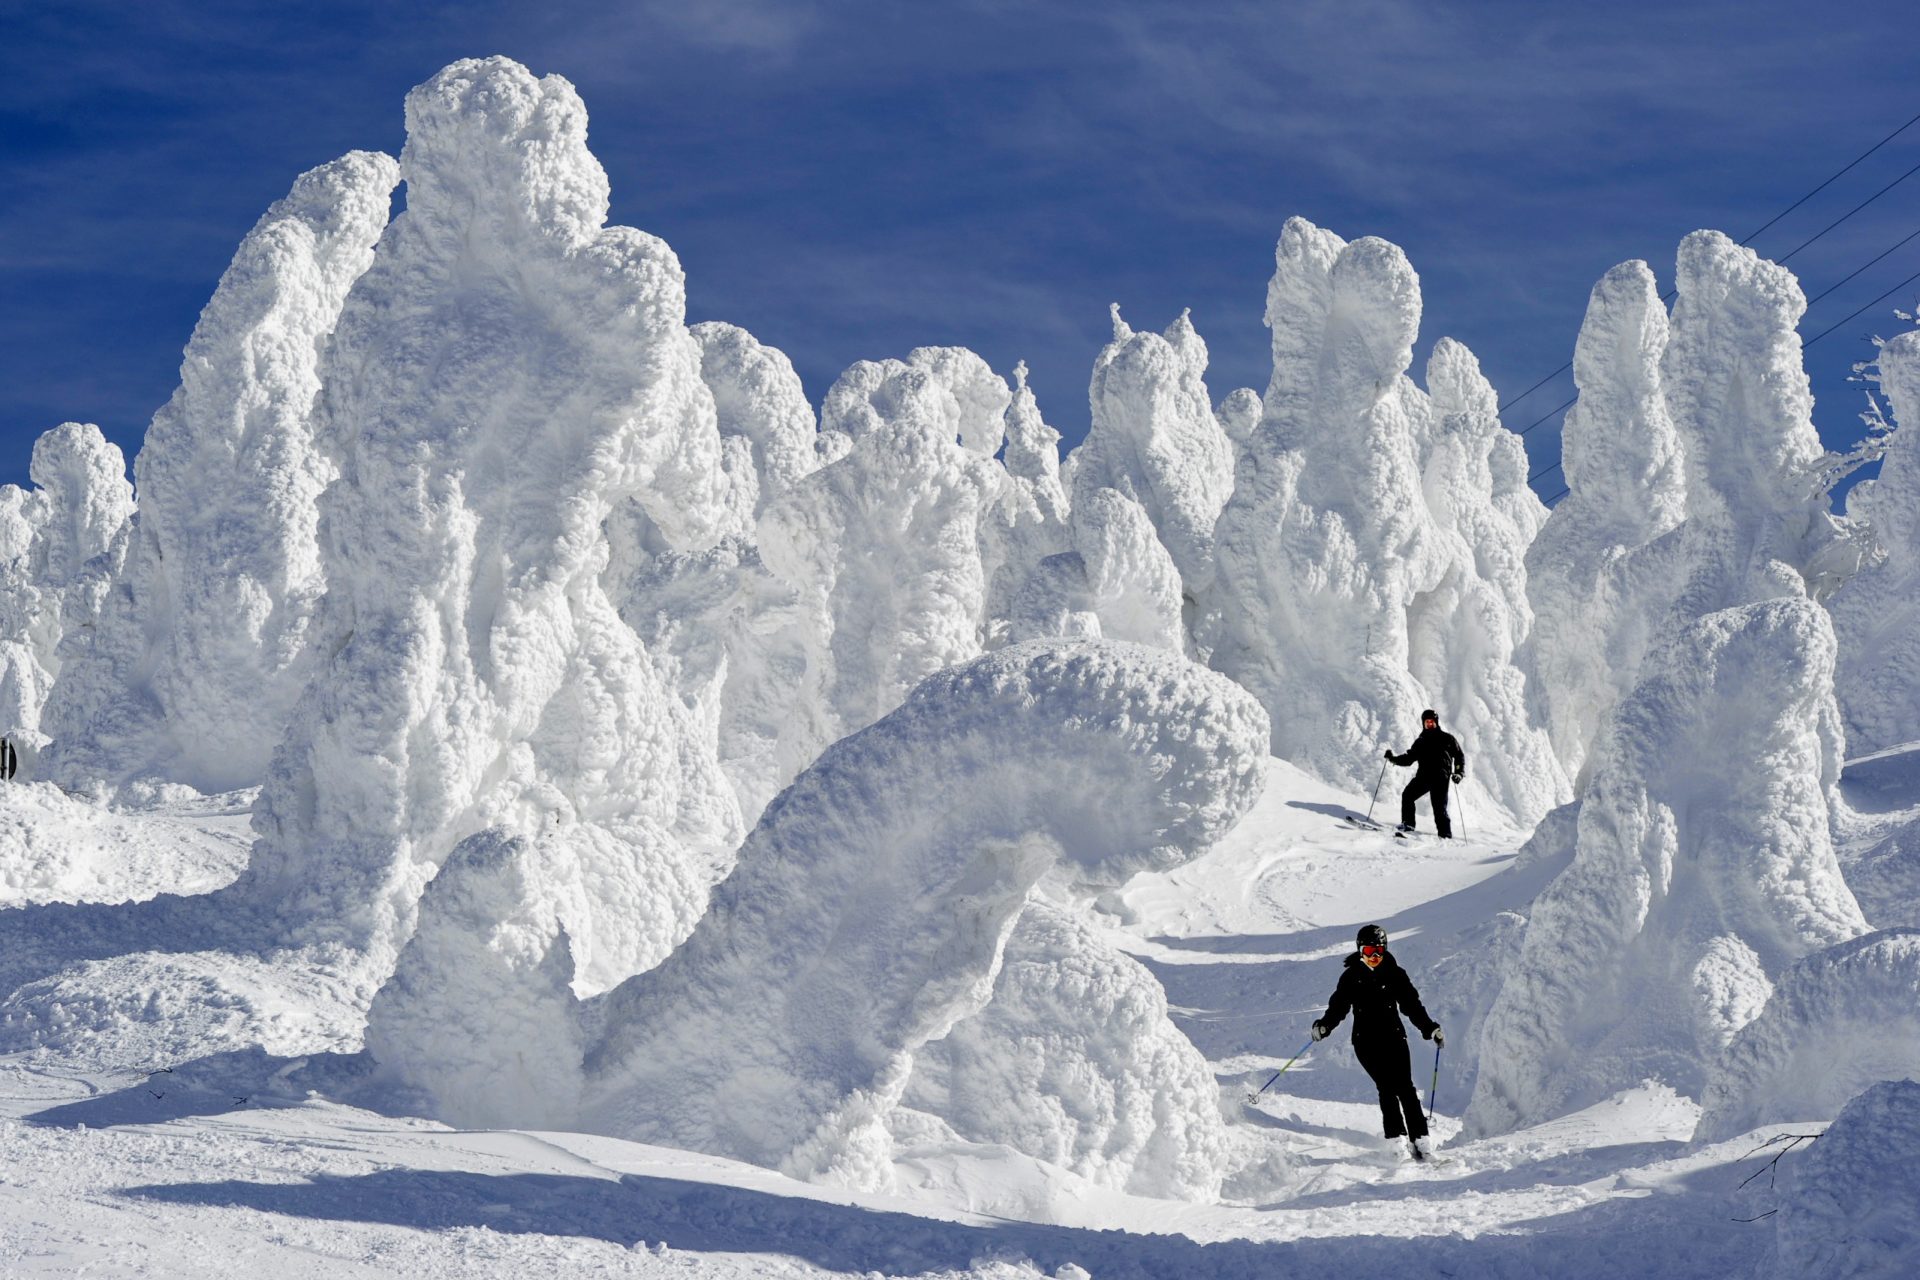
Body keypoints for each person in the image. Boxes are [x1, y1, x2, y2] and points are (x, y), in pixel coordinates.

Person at [1312, 924, 1444, 1160]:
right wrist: (1324, 1026)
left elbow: (1411, 1005)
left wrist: (1430, 1028)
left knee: (1405, 1087)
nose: (1374, 957)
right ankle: (1397, 1140)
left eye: (1379, 952)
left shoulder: (1395, 973)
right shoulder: (1351, 977)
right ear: (1359, 950)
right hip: (1366, 1042)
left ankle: (1421, 1139)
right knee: (1387, 1088)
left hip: (1394, 1037)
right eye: (1369, 951)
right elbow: (1338, 1007)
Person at [1384, 708, 1464, 838]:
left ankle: (1445, 835)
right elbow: (1408, 759)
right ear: (1423, 723)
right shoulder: (1421, 741)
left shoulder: (1447, 738)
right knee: (1408, 795)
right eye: (1427, 722)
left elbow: (1459, 756)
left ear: (1436, 722)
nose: (1429, 724)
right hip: (1424, 776)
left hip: (1440, 778)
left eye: (1432, 722)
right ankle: (1408, 824)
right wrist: (1393, 759)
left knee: (1439, 808)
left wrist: (1459, 772)